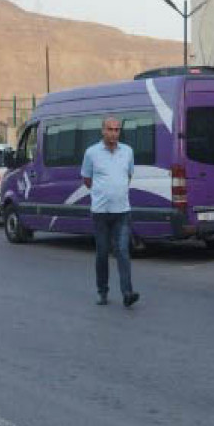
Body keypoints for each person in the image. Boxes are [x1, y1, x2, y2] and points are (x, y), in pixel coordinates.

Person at [81, 117, 138, 308]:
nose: (114, 133)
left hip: (122, 211)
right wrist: (102, 193)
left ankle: (127, 292)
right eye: (110, 129)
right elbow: (87, 180)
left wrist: (116, 191)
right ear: (102, 131)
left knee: (122, 251)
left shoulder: (128, 151)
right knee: (102, 252)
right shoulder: (91, 153)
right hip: (101, 213)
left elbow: (128, 176)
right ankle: (102, 291)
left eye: (117, 129)